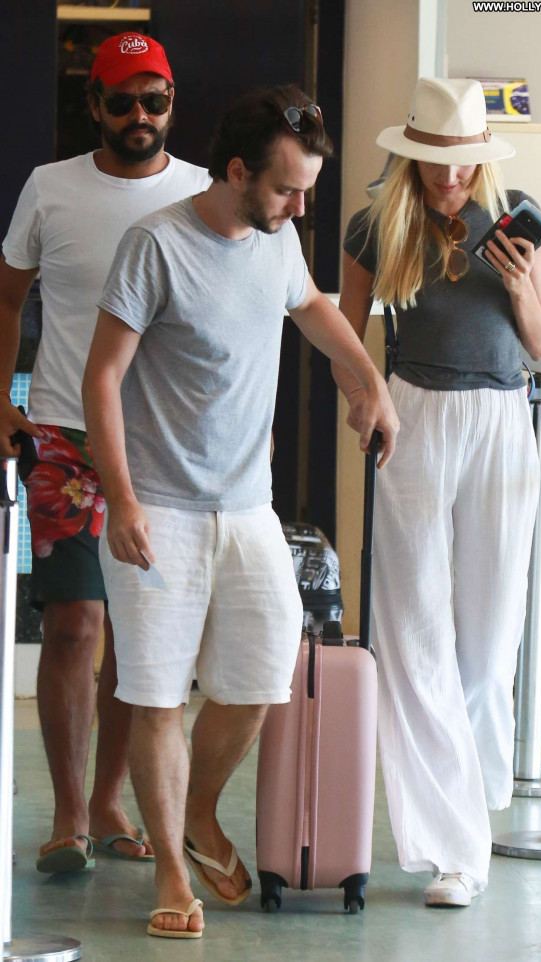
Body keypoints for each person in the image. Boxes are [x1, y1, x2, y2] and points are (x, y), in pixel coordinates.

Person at [81, 83, 398, 938]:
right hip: (159, 509)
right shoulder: (155, 246)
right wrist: (121, 499)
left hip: (248, 507)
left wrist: (367, 382)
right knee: (156, 697)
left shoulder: (278, 238)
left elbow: (312, 307)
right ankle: (172, 875)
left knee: (261, 679)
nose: (301, 207)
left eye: (306, 191)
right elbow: (102, 377)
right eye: (288, 189)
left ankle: (197, 811)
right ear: (234, 172)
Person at [335, 77, 541, 907]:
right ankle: (454, 850)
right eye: (435, 161)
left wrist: (518, 281)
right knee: (414, 631)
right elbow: (342, 335)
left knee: (490, 642)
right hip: (415, 414)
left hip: (501, 415)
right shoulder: (376, 225)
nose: (450, 176)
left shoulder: (517, 216)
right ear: (411, 156)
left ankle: (470, 797)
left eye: (463, 161)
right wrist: (367, 397)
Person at [0, 32, 211, 873]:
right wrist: (1, 399)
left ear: (171, 103)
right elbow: (8, 296)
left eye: (153, 100)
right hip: (63, 434)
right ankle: (67, 816)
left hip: (162, 443)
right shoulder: (50, 188)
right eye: (121, 100)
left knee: (137, 636)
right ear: (94, 105)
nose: (138, 115)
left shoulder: (201, 191)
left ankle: (109, 800)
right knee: (72, 625)